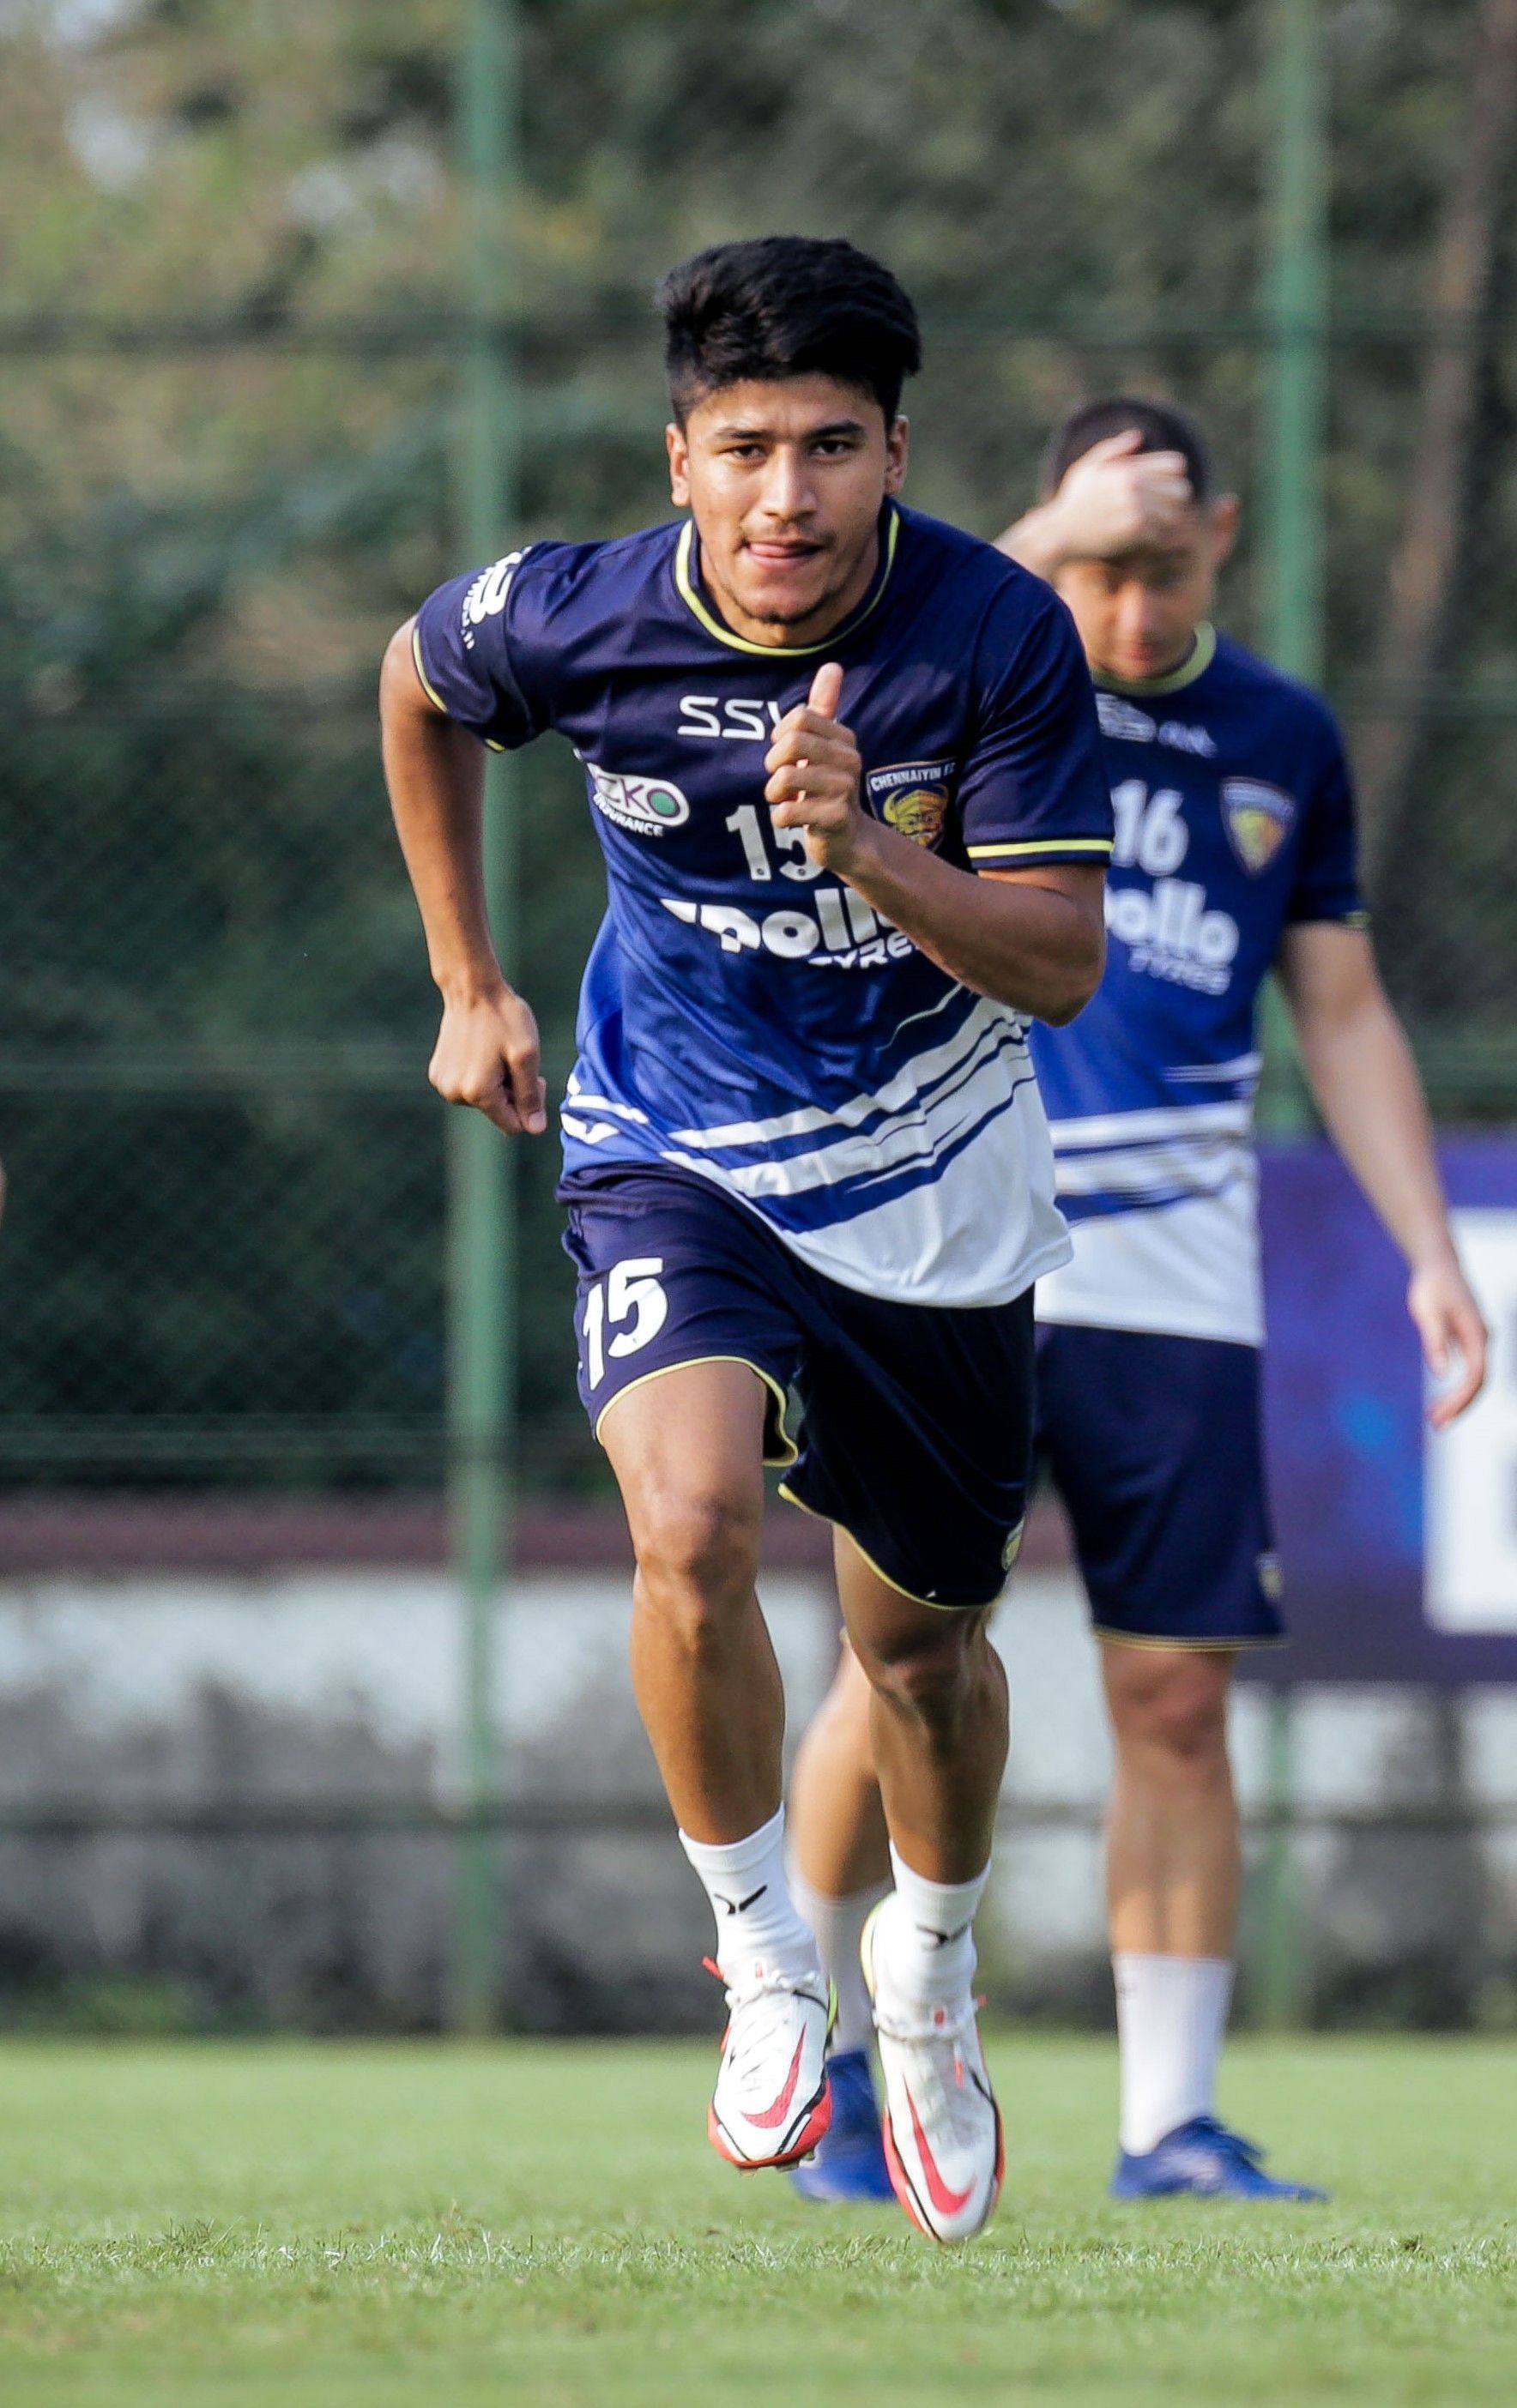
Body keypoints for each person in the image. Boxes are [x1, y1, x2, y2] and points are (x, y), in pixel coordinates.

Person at [378, 236, 1114, 2243]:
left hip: (930, 1182)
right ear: (679, 458)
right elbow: (417, 681)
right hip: (668, 1141)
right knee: (686, 1527)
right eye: (741, 450)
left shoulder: (997, 638)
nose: (784, 495)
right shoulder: (581, 608)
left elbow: (1057, 965)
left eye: (828, 448)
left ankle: (929, 1985)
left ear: (895, 450)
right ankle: (760, 1960)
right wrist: (467, 976)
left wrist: (869, 842)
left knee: (918, 1653)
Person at [786, 396, 1489, 2208]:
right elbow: (855, 655)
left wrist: (1424, 1250)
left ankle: (1166, 2122)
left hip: (1179, 1277)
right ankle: (815, 2050)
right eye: (1088, 565)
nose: (1118, 606)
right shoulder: (995, 674)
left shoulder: (1275, 734)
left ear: (1223, 540)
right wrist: (1042, 533)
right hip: (956, 1245)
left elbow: (1332, 1010)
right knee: (902, 1657)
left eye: (1154, 566)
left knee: (1174, 1698)